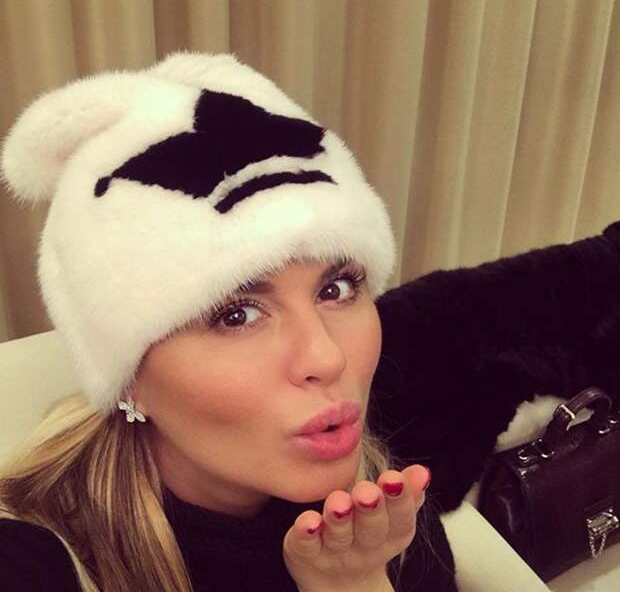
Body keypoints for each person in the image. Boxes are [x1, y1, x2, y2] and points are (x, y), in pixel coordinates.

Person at [0, 52, 457, 591]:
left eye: (336, 288)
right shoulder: (33, 560)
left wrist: (354, 583)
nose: (328, 357)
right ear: (128, 378)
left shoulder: (387, 523)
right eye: (237, 314)